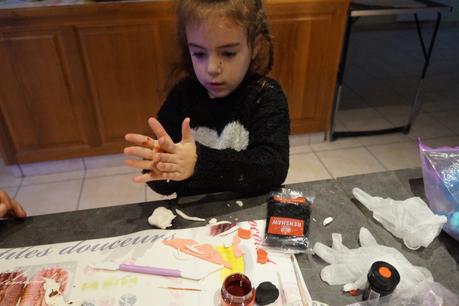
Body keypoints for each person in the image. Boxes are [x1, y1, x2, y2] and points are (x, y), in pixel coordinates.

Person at [124, 0, 290, 197]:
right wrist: (164, 169)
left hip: (248, 217)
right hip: (194, 216)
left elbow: (273, 167)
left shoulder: (265, 96)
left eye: (228, 53)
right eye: (199, 53)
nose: (211, 68)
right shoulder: (182, 96)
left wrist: (198, 162)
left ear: (255, 47)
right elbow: (163, 181)